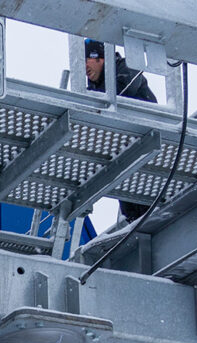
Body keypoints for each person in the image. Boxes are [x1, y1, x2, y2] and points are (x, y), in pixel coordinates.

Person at [82, 38, 157, 223]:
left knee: (149, 198)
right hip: (124, 151)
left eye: (86, 60)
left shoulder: (125, 68)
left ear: (100, 58)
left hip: (147, 144)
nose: (83, 66)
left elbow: (123, 92)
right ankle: (135, 226)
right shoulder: (95, 88)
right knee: (130, 206)